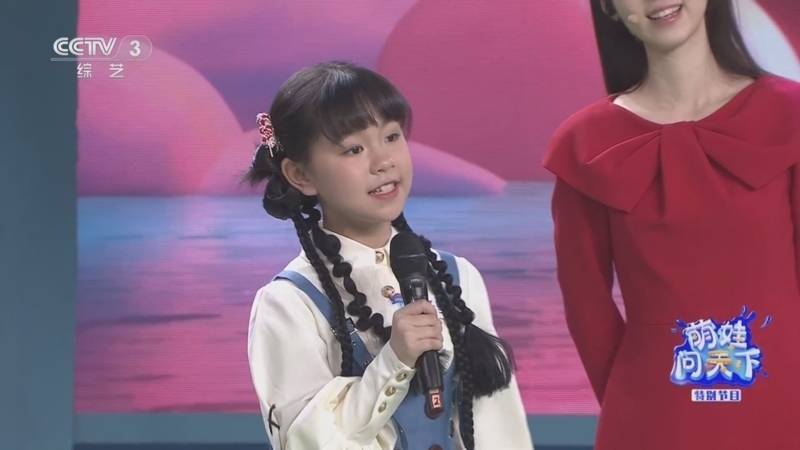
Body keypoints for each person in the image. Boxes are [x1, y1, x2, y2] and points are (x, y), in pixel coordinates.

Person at [544, 1, 800, 449]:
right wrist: (633, 404)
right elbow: (587, 310)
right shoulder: (585, 144)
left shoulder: (789, 113)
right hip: (653, 417)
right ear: (609, 8)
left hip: (783, 409)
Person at [246, 61, 532, 450]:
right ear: (301, 175)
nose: (384, 161)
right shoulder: (288, 303)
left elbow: (500, 427)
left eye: (392, 136)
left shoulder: (456, 276)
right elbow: (305, 441)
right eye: (354, 148)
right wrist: (394, 361)